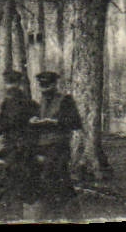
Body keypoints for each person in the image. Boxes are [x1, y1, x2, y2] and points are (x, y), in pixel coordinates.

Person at [0, 69, 38, 217]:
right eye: (8, 83)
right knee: (11, 181)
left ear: (18, 84)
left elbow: (8, 124)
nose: (10, 87)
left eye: (12, 83)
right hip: (11, 146)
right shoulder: (7, 103)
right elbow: (0, 123)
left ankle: (8, 213)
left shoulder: (25, 103)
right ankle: (8, 211)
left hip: (21, 147)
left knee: (13, 181)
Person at [29, 71, 83, 219]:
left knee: (51, 176)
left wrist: (56, 122)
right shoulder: (40, 101)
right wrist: (33, 121)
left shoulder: (66, 100)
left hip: (59, 146)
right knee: (58, 179)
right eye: (42, 86)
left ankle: (57, 213)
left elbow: (76, 123)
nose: (44, 90)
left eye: (47, 86)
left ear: (54, 84)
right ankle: (67, 213)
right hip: (42, 145)